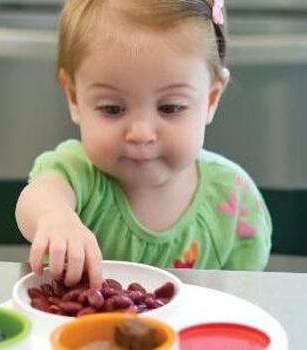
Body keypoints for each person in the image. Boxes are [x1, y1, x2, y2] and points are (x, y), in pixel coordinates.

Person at [15, 0, 272, 289]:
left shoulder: (235, 200)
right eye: (112, 108)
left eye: (170, 108)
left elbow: (242, 299)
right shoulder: (76, 172)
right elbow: (39, 198)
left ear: (211, 99)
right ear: (74, 98)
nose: (141, 133)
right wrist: (55, 218)